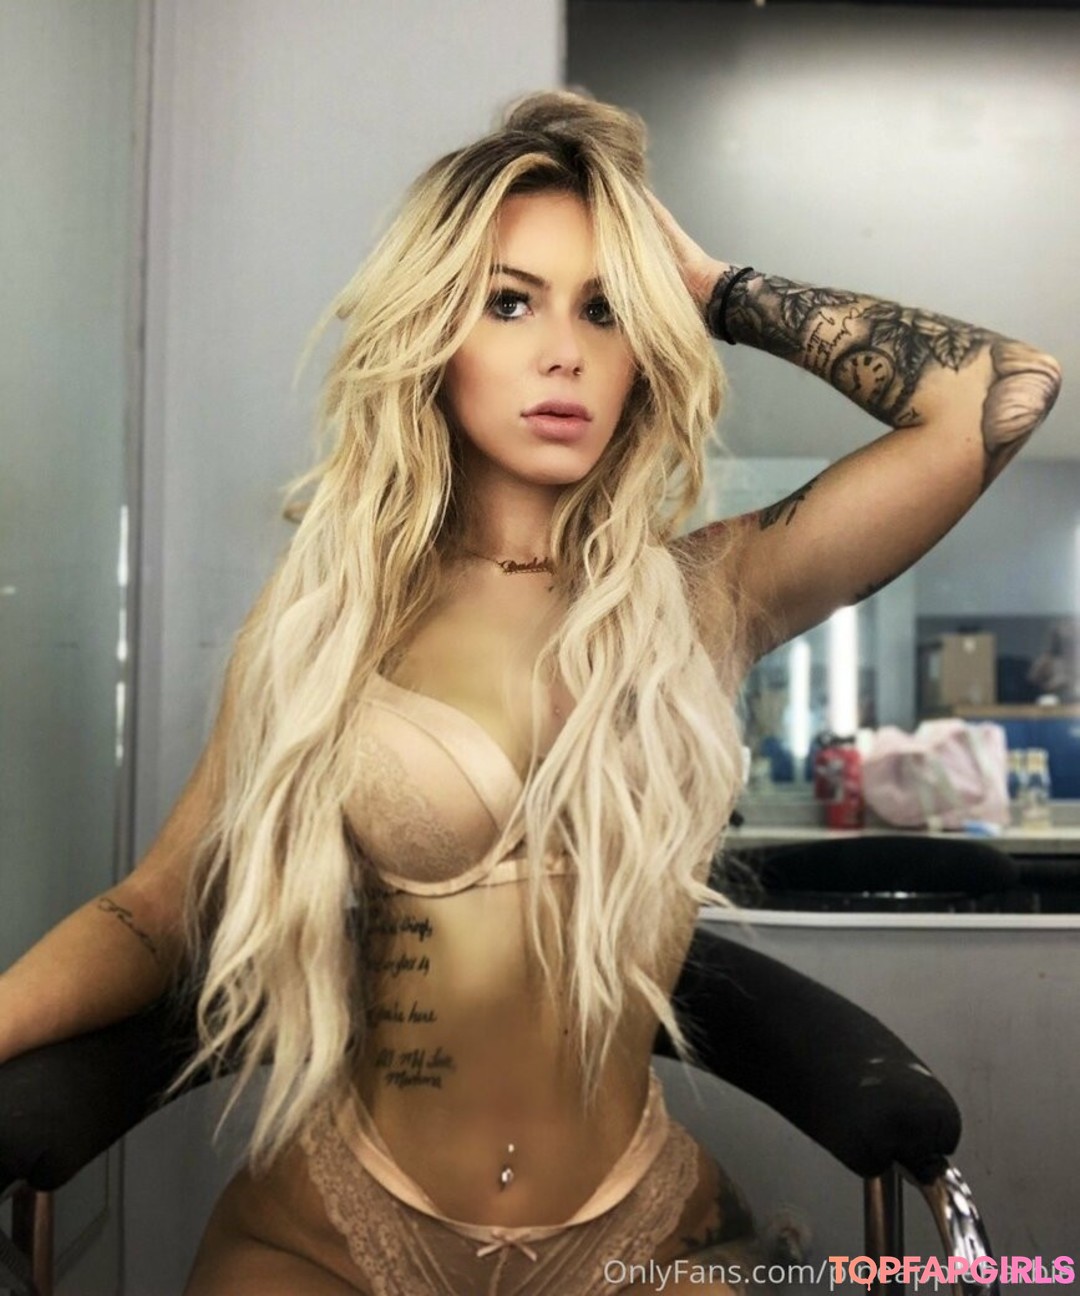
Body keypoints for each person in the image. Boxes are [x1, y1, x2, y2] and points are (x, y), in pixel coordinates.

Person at [0, 91, 1061, 1295]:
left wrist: (712, 287)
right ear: (434, 329)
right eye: (510, 301)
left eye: (605, 309)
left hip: (637, 1237)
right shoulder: (329, 619)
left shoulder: (707, 595)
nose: (565, 350)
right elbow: (156, 913)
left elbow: (1003, 390)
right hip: (335, 1230)